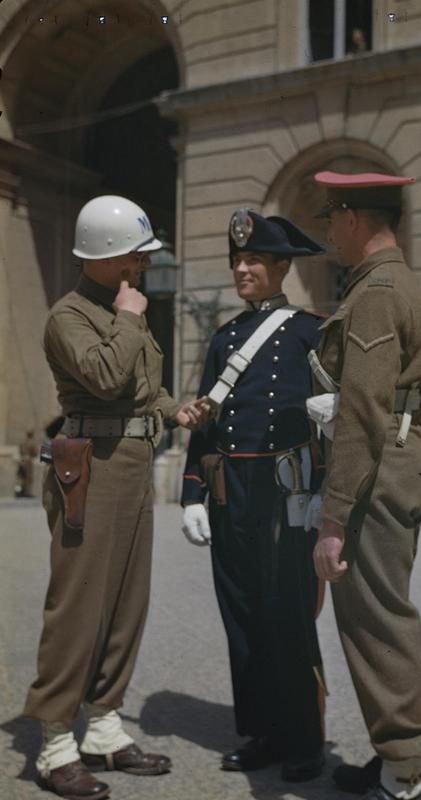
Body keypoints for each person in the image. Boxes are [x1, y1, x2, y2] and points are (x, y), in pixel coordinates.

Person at [24, 195, 210, 800]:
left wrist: (173, 410)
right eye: (137, 253)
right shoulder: (69, 316)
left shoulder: (125, 307)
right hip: (90, 468)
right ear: (107, 257)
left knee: (127, 603)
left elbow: (139, 390)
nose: (145, 263)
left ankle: (103, 726)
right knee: (79, 604)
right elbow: (102, 378)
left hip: (130, 464)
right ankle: (55, 743)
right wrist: (130, 319)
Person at [180, 208, 327, 782]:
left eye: (254, 261)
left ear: (281, 267)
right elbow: (205, 422)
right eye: (237, 260)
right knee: (241, 615)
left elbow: (334, 418)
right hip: (231, 493)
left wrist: (324, 490)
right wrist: (192, 493)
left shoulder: (311, 330)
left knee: (287, 615)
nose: (242, 269)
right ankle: (263, 732)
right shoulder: (225, 338)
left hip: (286, 491)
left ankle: (305, 740)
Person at [311, 172, 421, 800]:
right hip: (403, 454)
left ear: (353, 218)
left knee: (376, 621)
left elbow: (361, 409)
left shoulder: (375, 292)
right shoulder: (404, 284)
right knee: (380, 612)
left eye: (330, 218)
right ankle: (397, 759)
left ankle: (404, 772)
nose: (328, 232)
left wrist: (334, 519)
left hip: (376, 466)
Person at [16, 430, 38, 497]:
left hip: (22, 460)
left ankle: (20, 491)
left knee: (22, 476)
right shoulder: (32, 443)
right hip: (28, 461)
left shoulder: (23, 442)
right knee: (28, 477)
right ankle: (27, 493)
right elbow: (35, 453)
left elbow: (20, 450)